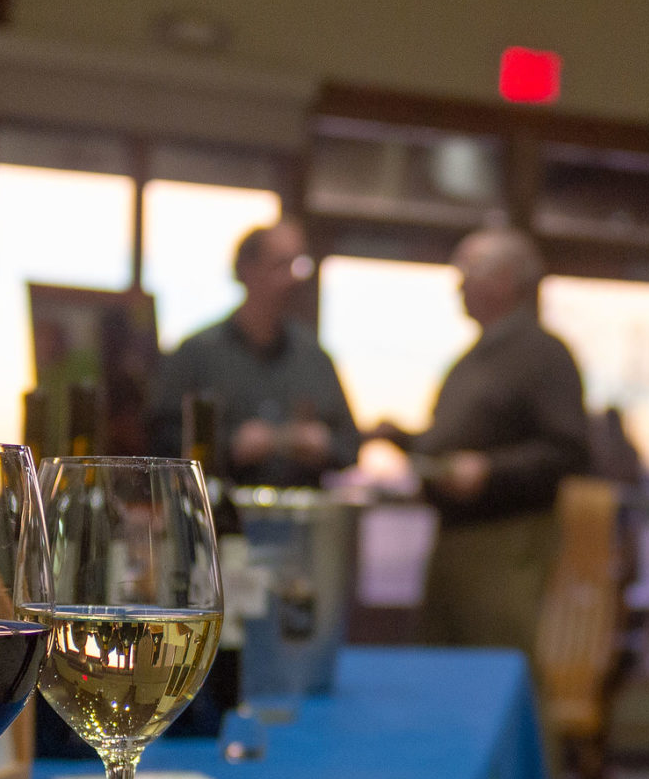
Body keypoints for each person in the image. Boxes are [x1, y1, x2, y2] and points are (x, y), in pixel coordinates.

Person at [371, 228, 590, 651]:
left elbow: (569, 451)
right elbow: (451, 446)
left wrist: (491, 472)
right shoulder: (476, 356)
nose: (459, 284)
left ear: (506, 278)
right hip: (454, 541)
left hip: (506, 546)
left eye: (468, 271)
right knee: (444, 676)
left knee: (498, 675)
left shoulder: (543, 355)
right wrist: (403, 440)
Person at [150, 222, 359, 487]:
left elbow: (351, 446)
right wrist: (229, 446)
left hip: (300, 518)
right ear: (246, 270)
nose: (294, 278)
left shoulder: (315, 358)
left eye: (300, 265)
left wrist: (325, 445)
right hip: (220, 514)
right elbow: (159, 439)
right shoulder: (197, 353)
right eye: (281, 265)